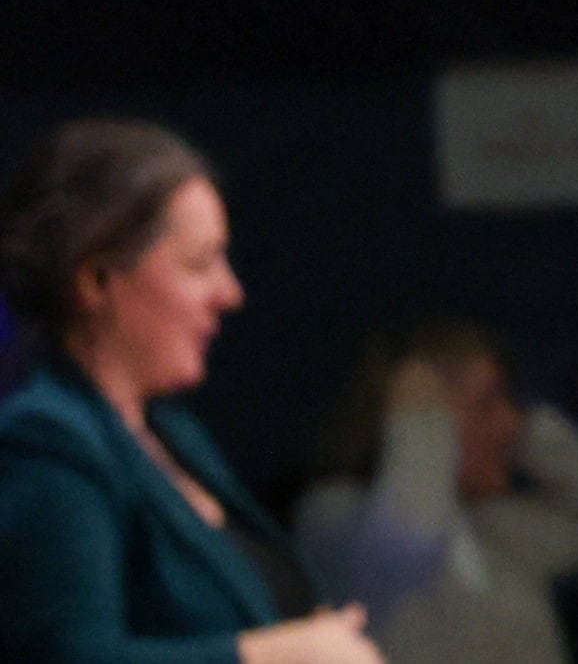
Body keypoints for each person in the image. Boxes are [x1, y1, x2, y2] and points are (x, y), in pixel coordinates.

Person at [0, 121, 381, 664]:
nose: (230, 293)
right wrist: (270, 656)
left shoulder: (173, 432)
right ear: (97, 279)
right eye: (199, 264)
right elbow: (68, 656)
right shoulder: (46, 442)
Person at [292, 321, 578, 664]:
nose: (511, 422)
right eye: (487, 404)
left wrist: (532, 433)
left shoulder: (490, 529)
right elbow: (408, 544)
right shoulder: (334, 514)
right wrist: (421, 415)